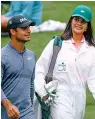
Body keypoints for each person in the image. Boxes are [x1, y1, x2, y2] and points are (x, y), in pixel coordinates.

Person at [34, 5, 95, 119]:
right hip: (59, 94)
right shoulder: (57, 43)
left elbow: (93, 78)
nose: (79, 23)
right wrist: (42, 91)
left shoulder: (91, 49)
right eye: (76, 19)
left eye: (83, 21)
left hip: (80, 98)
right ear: (71, 21)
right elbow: (40, 68)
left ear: (87, 26)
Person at [1, 15, 36, 119]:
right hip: (5, 113)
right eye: (24, 28)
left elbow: (31, 85)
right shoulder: (2, 56)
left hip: (27, 113)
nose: (29, 31)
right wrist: (8, 105)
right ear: (13, 31)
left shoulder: (31, 55)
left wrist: (31, 108)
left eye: (29, 27)